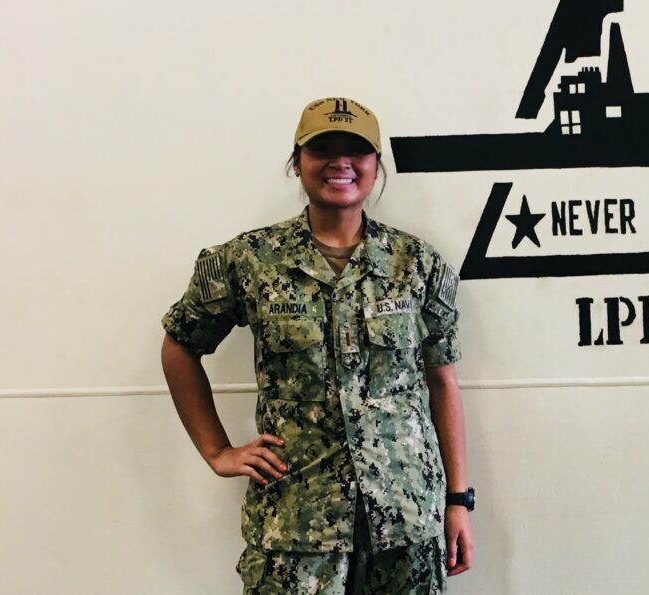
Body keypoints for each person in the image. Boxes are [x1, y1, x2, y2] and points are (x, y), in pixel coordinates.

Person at [161, 97, 474, 594]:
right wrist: (217, 450)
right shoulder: (250, 261)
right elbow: (180, 345)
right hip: (296, 524)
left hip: (404, 521)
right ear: (297, 161)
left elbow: (442, 380)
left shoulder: (416, 265)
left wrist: (458, 500)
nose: (340, 162)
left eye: (357, 150)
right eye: (322, 148)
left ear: (376, 165)